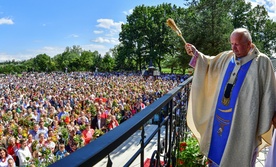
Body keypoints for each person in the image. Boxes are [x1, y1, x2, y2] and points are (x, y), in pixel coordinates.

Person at [184, 28, 276, 166]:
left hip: (244, 123)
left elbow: (269, 92)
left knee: (240, 155)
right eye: (231, 44)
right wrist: (196, 53)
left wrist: (269, 116)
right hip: (219, 120)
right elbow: (209, 63)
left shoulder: (262, 62)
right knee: (216, 154)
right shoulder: (227, 57)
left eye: (237, 44)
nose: (233, 48)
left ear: (249, 44)